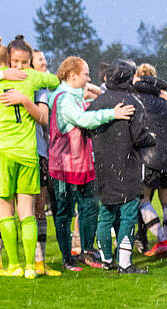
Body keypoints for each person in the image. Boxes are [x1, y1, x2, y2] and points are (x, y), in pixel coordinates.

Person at [0, 34, 59, 279]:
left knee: (21, 210)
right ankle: (20, 265)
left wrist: (22, 99)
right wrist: (6, 75)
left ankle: (20, 264)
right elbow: (55, 80)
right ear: (7, 60)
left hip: (10, 151)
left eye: (24, 63)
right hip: (27, 151)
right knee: (20, 212)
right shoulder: (28, 78)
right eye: (15, 62)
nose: (19, 66)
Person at [48, 56, 132, 271]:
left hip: (80, 164)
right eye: (85, 74)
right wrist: (113, 113)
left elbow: (95, 104)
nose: (88, 78)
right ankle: (68, 257)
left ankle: (86, 250)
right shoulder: (64, 99)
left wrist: (92, 89)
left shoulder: (73, 96)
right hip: (64, 166)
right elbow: (84, 120)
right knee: (66, 212)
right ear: (72, 75)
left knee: (89, 207)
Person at [85, 59, 155, 274]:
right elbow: (139, 136)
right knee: (128, 214)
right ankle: (125, 262)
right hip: (127, 165)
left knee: (106, 214)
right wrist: (151, 138)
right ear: (128, 78)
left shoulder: (97, 102)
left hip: (103, 165)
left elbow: (87, 128)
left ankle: (106, 259)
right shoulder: (132, 102)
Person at [133, 63, 167, 258]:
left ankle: (161, 240)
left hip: (149, 156)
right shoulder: (161, 99)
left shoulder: (136, 99)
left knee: (143, 200)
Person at [29, 49, 61, 277]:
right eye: (40, 59)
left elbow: (44, 119)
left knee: (39, 208)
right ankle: (7, 261)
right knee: (7, 209)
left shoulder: (42, 87)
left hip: (39, 152)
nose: (45, 62)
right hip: (15, 151)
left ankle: (39, 261)